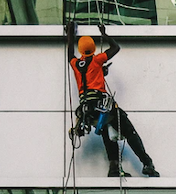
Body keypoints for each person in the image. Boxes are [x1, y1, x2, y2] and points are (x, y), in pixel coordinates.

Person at [67, 22, 159, 178]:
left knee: (106, 134)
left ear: (81, 50)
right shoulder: (97, 60)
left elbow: (70, 54)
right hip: (102, 105)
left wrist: (70, 34)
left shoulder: (76, 64)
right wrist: (105, 34)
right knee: (129, 132)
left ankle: (114, 168)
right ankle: (147, 163)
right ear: (93, 49)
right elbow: (115, 48)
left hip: (88, 111)